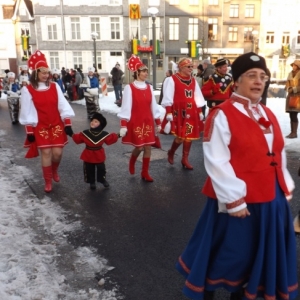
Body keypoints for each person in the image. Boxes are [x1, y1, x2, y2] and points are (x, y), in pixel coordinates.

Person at [176, 52, 298, 300]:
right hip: (238, 201)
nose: (258, 81)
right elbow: (216, 159)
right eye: (251, 75)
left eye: (263, 76)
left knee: (254, 259)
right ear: (237, 80)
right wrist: (234, 200)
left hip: (270, 199)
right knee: (228, 254)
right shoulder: (222, 114)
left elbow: (277, 153)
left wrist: (283, 186)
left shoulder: (267, 113)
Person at [19, 50, 75, 193]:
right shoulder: (28, 90)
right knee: (46, 153)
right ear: (35, 73)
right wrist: (29, 130)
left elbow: (62, 105)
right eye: (42, 72)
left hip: (56, 124)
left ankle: (54, 170)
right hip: (41, 126)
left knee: (57, 153)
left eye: (47, 72)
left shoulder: (55, 86)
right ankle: (48, 180)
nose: (45, 75)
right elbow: (27, 110)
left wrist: (67, 123)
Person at [117, 55, 161, 182]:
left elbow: (154, 106)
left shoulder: (149, 87)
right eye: (143, 71)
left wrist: (158, 122)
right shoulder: (129, 88)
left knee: (148, 147)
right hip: (136, 121)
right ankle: (132, 161)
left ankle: (145, 172)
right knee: (139, 147)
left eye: (146, 71)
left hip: (147, 121)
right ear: (137, 73)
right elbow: (125, 108)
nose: (146, 73)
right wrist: (123, 124)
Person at [161, 57, 205, 170]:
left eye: (192, 66)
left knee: (189, 136)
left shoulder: (193, 80)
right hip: (179, 111)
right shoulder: (172, 79)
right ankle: (171, 152)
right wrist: (169, 112)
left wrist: (199, 111)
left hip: (191, 111)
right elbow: (168, 97)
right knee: (180, 137)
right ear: (181, 67)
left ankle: (185, 159)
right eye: (188, 66)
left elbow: (197, 97)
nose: (191, 68)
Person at [65, 112, 119, 190]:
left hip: (99, 154)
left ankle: (102, 179)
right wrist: (71, 133)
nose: (93, 122)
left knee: (101, 168)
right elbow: (78, 139)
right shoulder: (86, 133)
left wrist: (119, 134)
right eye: (92, 121)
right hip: (88, 154)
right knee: (89, 168)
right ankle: (92, 182)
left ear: (100, 124)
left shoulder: (103, 134)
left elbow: (110, 140)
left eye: (96, 121)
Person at [285, 60, 300, 138]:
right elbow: (287, 84)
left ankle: (294, 133)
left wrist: (294, 89)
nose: (293, 67)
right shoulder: (290, 74)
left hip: (297, 97)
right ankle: (292, 132)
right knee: (291, 115)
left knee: (294, 114)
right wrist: (288, 88)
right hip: (290, 96)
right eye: (293, 65)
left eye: (295, 65)